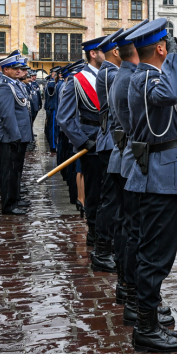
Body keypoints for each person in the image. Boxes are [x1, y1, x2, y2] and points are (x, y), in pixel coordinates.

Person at [124, 18, 177, 353]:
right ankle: (146, 328)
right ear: (162, 49)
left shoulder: (143, 76)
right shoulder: (149, 78)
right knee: (156, 255)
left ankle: (147, 320)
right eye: (169, 48)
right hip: (160, 178)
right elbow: (170, 93)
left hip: (158, 175)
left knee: (154, 252)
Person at [58, 37, 109, 249]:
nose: (108, 53)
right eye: (103, 50)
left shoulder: (109, 76)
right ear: (93, 54)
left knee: (109, 193)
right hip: (92, 143)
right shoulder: (77, 80)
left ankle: (106, 234)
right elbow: (65, 117)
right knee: (94, 192)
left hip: (111, 142)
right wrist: (82, 141)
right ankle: (94, 234)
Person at [90, 30, 125, 274]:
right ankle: (102, 251)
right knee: (111, 200)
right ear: (116, 51)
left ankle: (106, 246)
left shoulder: (108, 72)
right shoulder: (112, 73)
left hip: (110, 141)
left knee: (112, 199)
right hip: (112, 142)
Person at [0, 53, 32, 215]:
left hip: (19, 134)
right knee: (9, 171)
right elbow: (7, 114)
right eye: (14, 68)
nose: (18, 71)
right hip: (11, 136)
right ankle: (9, 204)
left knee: (16, 169)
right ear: (5, 69)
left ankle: (15, 198)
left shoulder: (15, 84)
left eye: (19, 68)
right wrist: (15, 135)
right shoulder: (3, 85)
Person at [45, 67, 60, 153]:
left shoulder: (56, 82)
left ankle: (54, 144)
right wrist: (53, 77)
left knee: (54, 128)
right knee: (53, 128)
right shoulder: (52, 82)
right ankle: (53, 146)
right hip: (53, 107)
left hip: (54, 107)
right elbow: (51, 87)